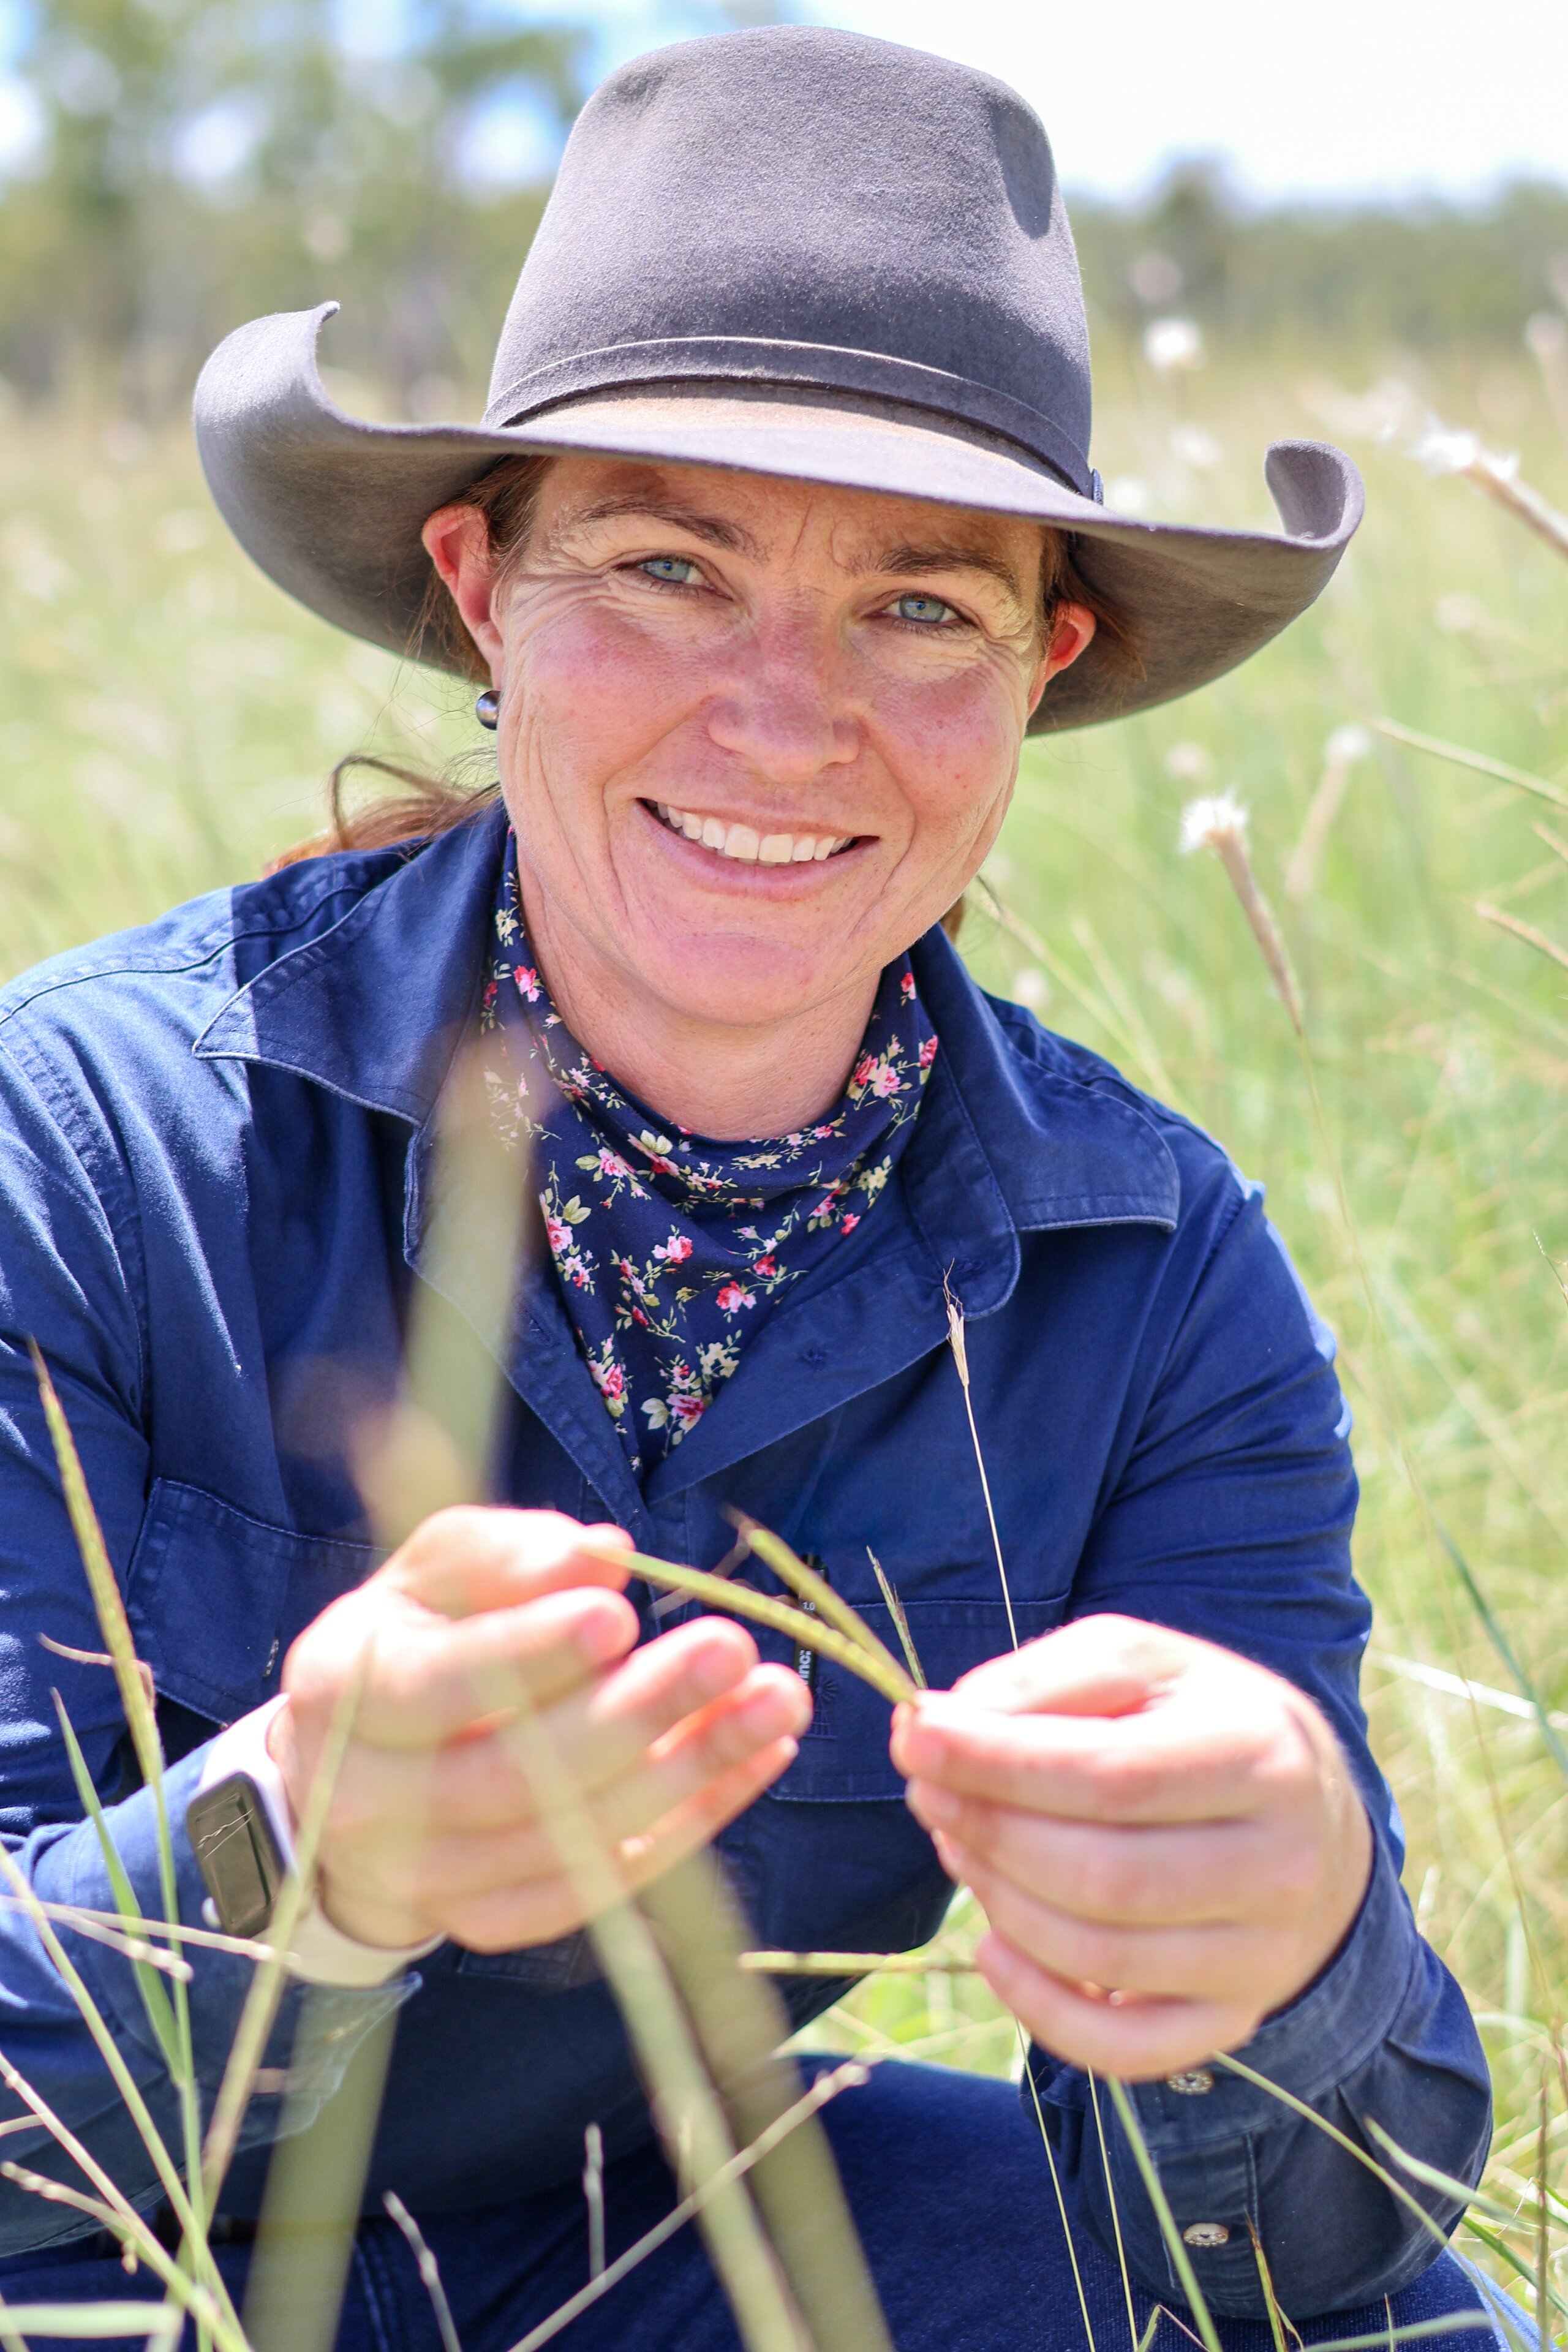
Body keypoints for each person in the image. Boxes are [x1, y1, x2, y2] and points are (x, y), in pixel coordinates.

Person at [0, 25, 1506, 2352]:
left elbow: (1311, 2251)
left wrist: (1286, 1951)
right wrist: (287, 1845)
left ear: (1042, 670)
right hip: (117, 2281)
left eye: (919, 607)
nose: (784, 720)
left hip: (661, 2239)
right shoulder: (87, 1149)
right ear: (484, 593)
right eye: (671, 567)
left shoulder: (1154, 1283)